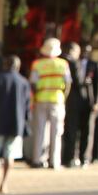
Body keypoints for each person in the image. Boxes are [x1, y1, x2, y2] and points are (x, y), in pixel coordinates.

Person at [0, 56, 30, 193]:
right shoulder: (24, 82)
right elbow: (27, 105)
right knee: (10, 155)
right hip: (16, 123)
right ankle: (4, 184)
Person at [27, 37, 70, 169]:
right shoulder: (63, 64)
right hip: (57, 99)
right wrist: (63, 97)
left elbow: (33, 83)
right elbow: (68, 83)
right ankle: (54, 161)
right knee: (56, 132)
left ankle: (37, 159)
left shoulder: (37, 64)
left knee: (40, 130)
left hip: (41, 99)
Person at [61, 43, 94, 168]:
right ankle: (69, 158)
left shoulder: (60, 61)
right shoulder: (73, 63)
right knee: (73, 131)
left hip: (62, 100)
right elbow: (79, 81)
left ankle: (66, 157)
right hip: (73, 102)